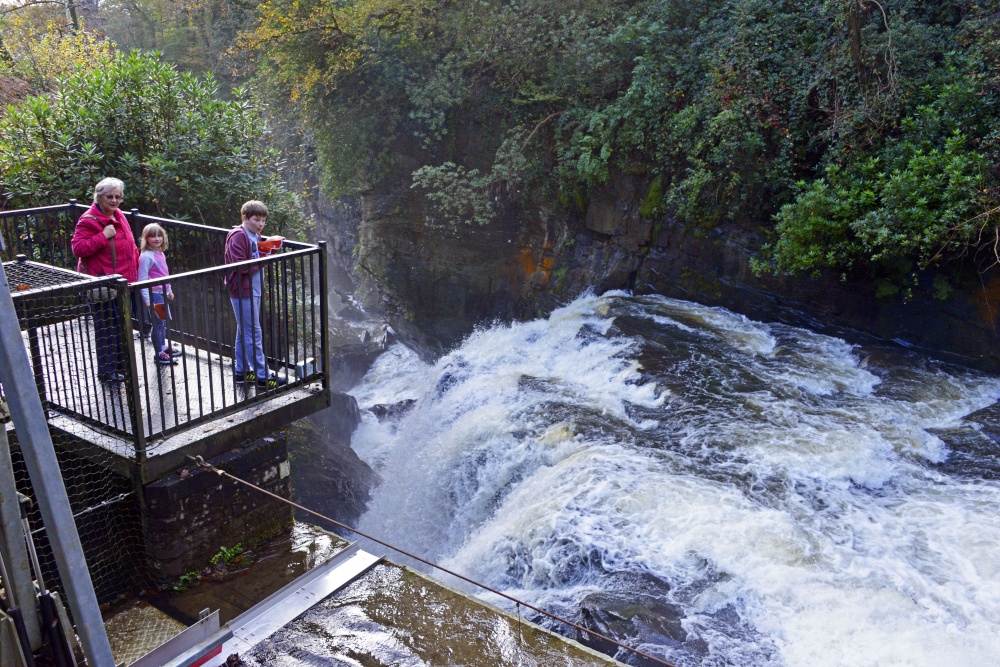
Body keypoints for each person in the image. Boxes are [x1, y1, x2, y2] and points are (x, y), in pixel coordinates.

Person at [71, 177, 140, 384]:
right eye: (109, 196)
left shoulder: (119, 215)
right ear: (99, 197)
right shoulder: (89, 220)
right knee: (107, 328)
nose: (114, 200)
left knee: (122, 326)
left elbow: (130, 247)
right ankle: (107, 371)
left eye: (118, 196)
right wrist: (103, 235)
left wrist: (137, 277)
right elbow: (78, 248)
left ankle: (120, 366)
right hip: (104, 284)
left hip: (124, 281)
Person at [224, 200, 287, 389]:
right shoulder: (238, 236)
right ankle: (262, 376)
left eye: (263, 220)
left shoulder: (254, 234)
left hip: (253, 289)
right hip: (243, 290)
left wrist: (267, 245)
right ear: (244, 218)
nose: (260, 224)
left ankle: (242, 372)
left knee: (244, 331)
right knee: (253, 332)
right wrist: (267, 256)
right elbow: (240, 266)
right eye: (256, 220)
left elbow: (255, 255)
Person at [138, 223, 181, 366]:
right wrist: (147, 299)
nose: (157, 239)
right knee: (158, 324)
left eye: (159, 236)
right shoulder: (146, 257)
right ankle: (159, 353)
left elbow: (164, 274)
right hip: (154, 294)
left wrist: (169, 290)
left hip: (162, 293)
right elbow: (142, 280)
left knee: (162, 323)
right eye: (152, 236)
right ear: (146, 239)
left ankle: (162, 346)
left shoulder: (160, 254)